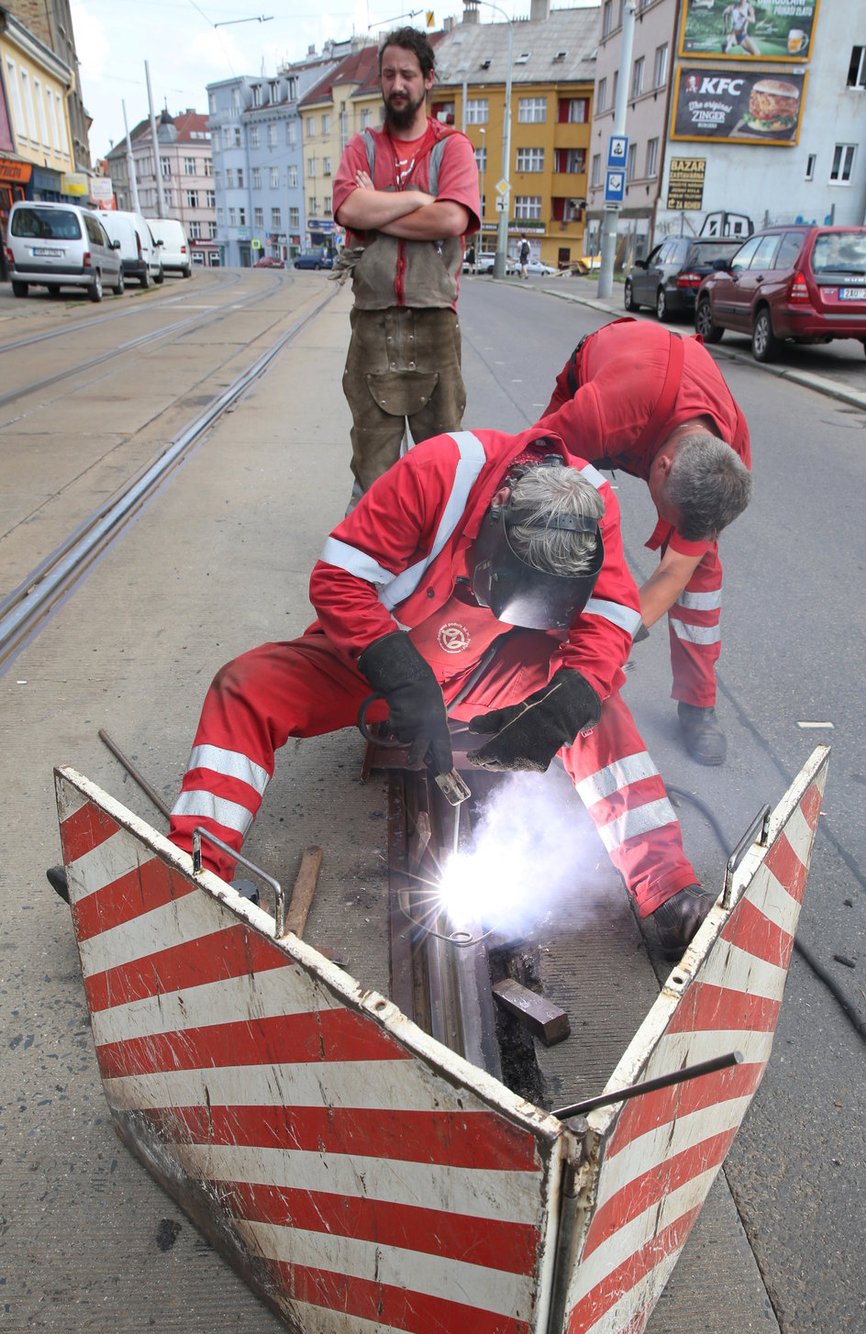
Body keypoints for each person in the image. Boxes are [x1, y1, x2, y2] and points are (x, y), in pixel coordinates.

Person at [167, 428, 717, 962]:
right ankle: (195, 871)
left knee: (596, 709)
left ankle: (666, 890)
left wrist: (560, 711)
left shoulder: (590, 505)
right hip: (389, 658)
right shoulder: (439, 473)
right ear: (496, 519)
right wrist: (402, 675)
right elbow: (338, 579)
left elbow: (611, 616)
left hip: (496, 671)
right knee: (246, 687)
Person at [536, 317, 752, 766]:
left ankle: (699, 705)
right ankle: (529, 650)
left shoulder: (728, 466)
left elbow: (675, 571)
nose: (669, 527)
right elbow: (521, 470)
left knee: (702, 577)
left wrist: (606, 643)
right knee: (549, 513)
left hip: (663, 401)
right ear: (664, 465)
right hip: (618, 380)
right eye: (669, 515)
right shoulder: (597, 414)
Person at [333, 27, 481, 500]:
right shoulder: (363, 147)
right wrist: (418, 199)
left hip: (435, 320)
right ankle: (365, 566)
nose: (397, 85)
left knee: (443, 463)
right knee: (371, 464)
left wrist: (379, 206)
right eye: (389, 74)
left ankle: (436, 563)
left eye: (408, 75)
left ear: (428, 80)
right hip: (372, 321)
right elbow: (348, 208)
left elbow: (453, 217)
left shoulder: (451, 147)